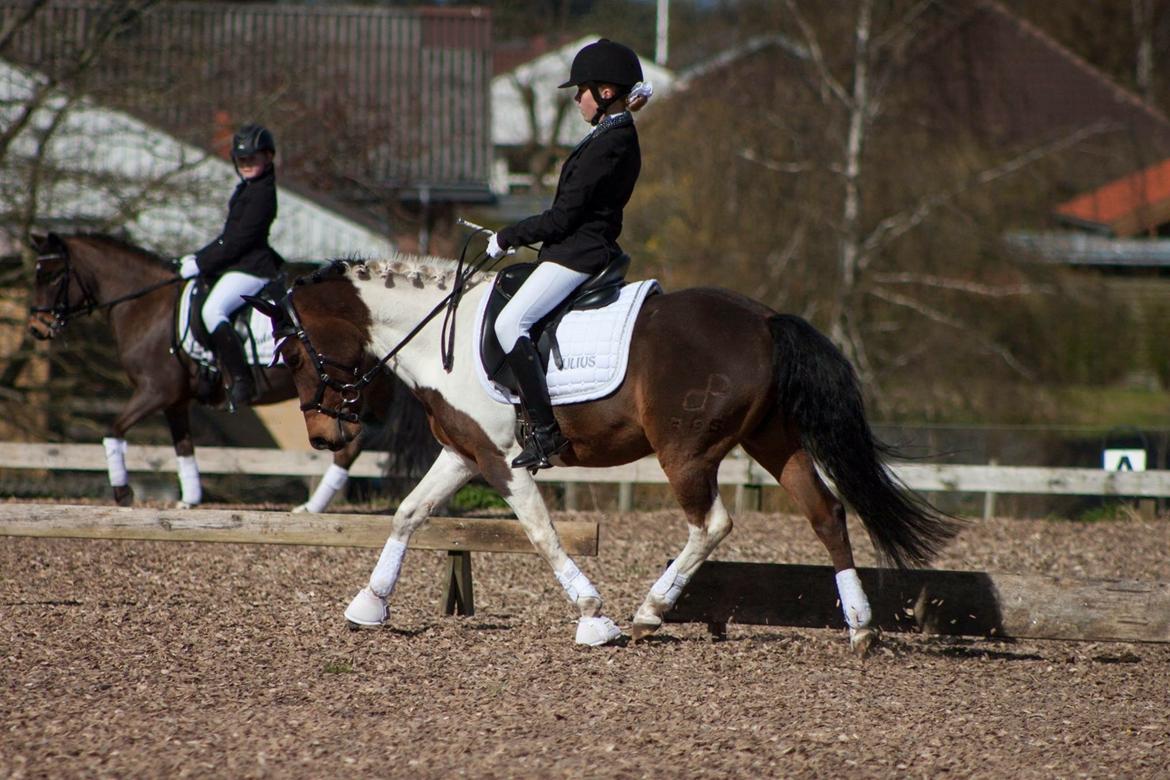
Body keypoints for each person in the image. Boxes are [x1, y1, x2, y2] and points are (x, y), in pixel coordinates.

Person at [488, 38, 653, 471]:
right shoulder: (608, 135)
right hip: (574, 248)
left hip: (578, 253)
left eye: (581, 90)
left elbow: (563, 218)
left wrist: (509, 236)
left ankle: (544, 432)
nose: (576, 99)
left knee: (510, 322)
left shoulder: (610, 143)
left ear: (605, 92)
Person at [178, 123, 283, 411]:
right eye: (242, 160)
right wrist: (197, 257)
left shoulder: (262, 193)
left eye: (252, 158)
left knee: (213, 310)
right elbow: (227, 239)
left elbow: (238, 241)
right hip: (238, 264)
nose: (247, 164)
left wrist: (200, 262)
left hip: (252, 268)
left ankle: (241, 380)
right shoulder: (247, 189)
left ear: (268, 157)